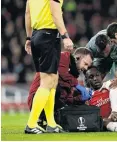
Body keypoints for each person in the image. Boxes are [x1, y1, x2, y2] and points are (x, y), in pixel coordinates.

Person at [24, 0, 74, 134]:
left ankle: (51, 123)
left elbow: (28, 13)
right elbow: (55, 12)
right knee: (47, 82)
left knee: (53, 80)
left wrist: (29, 38)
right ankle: (31, 123)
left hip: (36, 36)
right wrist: (65, 36)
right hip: (49, 36)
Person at [27, 48, 93, 133]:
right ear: (78, 58)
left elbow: (66, 98)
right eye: (85, 64)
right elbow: (60, 73)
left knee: (63, 97)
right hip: (36, 99)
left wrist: (80, 99)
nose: (86, 68)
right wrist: (77, 85)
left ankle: (47, 121)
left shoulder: (71, 74)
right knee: (57, 87)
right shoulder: (63, 56)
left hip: (48, 101)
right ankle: (37, 120)